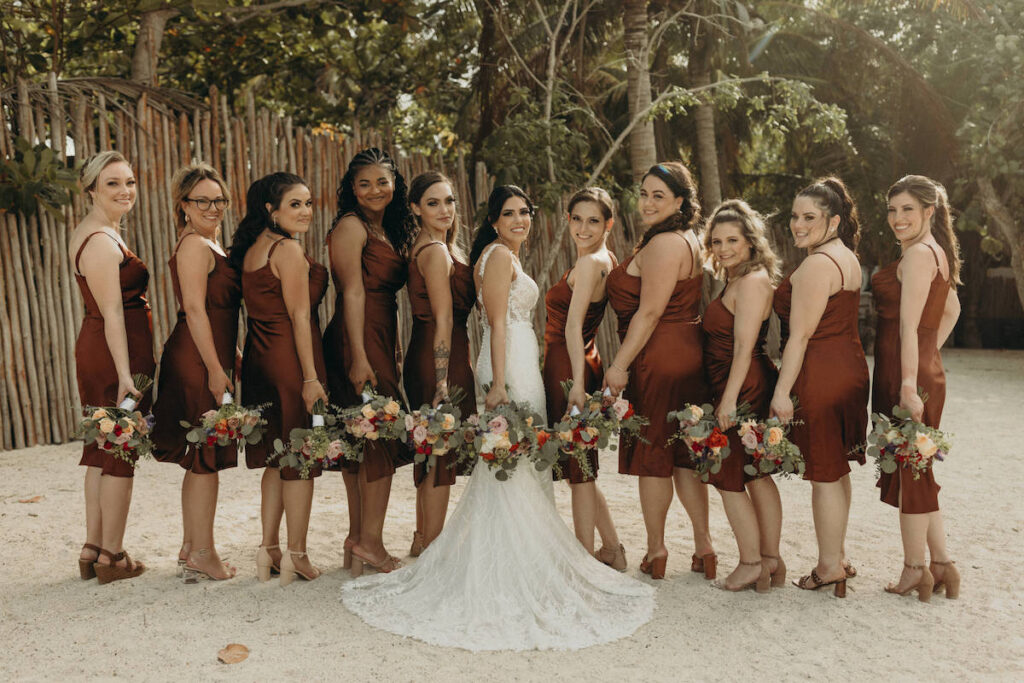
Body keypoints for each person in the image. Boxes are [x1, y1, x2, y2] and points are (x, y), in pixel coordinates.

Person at [341, 185, 654, 652]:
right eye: (509, 213)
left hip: (522, 359)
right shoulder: (499, 257)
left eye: (526, 212)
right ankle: (515, 561)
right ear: (493, 219)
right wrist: (502, 384)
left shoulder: (503, 254)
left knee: (526, 463)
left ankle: (530, 556)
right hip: (509, 365)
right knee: (514, 461)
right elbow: (497, 322)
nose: (520, 220)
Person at [605, 162, 715, 580]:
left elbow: (649, 312)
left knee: (654, 456)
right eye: (644, 193)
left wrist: (618, 365)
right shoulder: (686, 238)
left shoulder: (665, 243)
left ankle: (656, 550)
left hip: (658, 356)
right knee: (685, 454)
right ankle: (704, 546)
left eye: (659, 196)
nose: (648, 203)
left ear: (680, 202)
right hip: (688, 350)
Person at [771, 177, 869, 598]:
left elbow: (799, 336)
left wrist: (780, 392)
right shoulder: (847, 258)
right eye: (795, 216)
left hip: (824, 374)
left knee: (824, 475)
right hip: (850, 367)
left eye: (808, 217)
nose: (797, 224)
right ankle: (838, 555)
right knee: (836, 470)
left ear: (833, 221)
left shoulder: (815, 265)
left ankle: (828, 565)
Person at [232, 172, 329, 585]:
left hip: (259, 361)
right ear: (270, 210)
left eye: (308, 203)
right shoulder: (287, 250)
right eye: (295, 204)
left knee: (276, 459)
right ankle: (297, 556)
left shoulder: (254, 249)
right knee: (301, 458)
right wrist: (310, 377)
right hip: (290, 362)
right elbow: (300, 316)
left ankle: (268, 549)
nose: (305, 211)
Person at [322, 148, 413, 575]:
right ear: (351, 189)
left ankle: (357, 540)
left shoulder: (386, 227)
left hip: (377, 332)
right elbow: (352, 293)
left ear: (395, 184)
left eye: (382, 181)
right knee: (379, 434)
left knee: (363, 439)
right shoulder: (350, 226)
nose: (375, 190)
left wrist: (387, 346)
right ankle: (371, 543)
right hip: (355, 336)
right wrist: (359, 355)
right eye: (365, 183)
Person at [873, 175, 962, 601]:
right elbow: (952, 310)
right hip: (922, 370)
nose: (897, 218)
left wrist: (909, 381)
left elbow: (909, 326)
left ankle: (915, 569)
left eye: (907, 209)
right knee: (918, 470)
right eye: (892, 210)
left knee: (911, 473)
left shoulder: (918, 256)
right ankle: (942, 564)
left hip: (907, 377)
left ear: (929, 211)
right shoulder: (935, 252)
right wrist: (929, 355)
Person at [152, 162, 240, 582]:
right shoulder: (193, 246)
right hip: (195, 359)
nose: (212, 207)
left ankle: (191, 547)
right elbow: (194, 309)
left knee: (199, 457)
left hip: (209, 354)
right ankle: (204, 551)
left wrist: (233, 353)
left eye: (218, 199)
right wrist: (214, 368)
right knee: (206, 454)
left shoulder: (209, 242)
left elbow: (219, 311)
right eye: (202, 200)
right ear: (183, 205)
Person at [69, 151, 155, 584]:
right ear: (90, 190)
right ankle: (113, 557)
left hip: (104, 347)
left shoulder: (100, 231)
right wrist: (125, 373)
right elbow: (112, 314)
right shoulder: (101, 242)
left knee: (101, 451)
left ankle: (92, 548)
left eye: (130, 182)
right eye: (112, 184)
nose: (125, 191)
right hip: (114, 354)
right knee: (120, 448)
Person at [701, 200, 784, 592]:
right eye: (716, 241)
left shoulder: (751, 282)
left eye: (732, 240)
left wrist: (729, 399)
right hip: (738, 380)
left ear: (751, 242)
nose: (723, 248)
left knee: (730, 476)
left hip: (743, 383)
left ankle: (752, 562)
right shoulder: (738, 278)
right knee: (756, 473)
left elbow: (744, 345)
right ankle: (770, 561)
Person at [541, 187, 625, 567]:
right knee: (582, 463)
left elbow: (573, 326)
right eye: (577, 218)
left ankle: (584, 560)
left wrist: (575, 383)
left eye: (593, 220)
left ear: (608, 224)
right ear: (568, 219)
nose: (583, 227)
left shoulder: (592, 262)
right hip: (583, 360)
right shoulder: (605, 257)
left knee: (579, 468)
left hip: (570, 364)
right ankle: (612, 549)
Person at [403, 171, 477, 554]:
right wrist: (443, 379)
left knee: (432, 449)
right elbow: (444, 318)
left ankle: (422, 538)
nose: (444, 209)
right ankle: (431, 543)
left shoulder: (434, 245)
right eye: (433, 203)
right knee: (438, 451)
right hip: (439, 356)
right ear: (416, 208)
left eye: (449, 201)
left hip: (430, 351)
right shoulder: (433, 251)